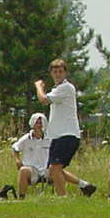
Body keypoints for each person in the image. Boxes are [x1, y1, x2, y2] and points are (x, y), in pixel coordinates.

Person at [35, 58, 96, 198]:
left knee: (55, 168)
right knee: (53, 169)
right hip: (57, 135)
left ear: (65, 73)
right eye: (55, 72)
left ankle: (62, 197)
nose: (57, 74)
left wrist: (39, 87)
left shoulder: (66, 88)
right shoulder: (56, 89)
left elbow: (43, 100)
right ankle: (84, 185)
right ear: (51, 73)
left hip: (67, 134)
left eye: (60, 71)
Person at [12, 112, 51, 199]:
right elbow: (15, 148)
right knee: (23, 170)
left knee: (57, 169)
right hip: (31, 169)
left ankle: (62, 196)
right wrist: (17, 160)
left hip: (46, 169)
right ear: (33, 123)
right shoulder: (26, 138)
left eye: (41, 123)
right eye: (36, 123)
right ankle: (21, 197)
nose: (39, 125)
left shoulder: (49, 139)